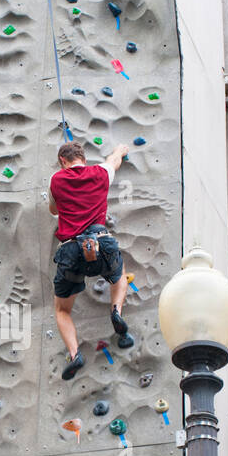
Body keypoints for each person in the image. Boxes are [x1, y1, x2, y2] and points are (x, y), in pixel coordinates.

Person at [49, 139, 134, 380]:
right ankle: (116, 311)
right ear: (83, 160)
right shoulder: (100, 172)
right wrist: (120, 150)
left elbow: (53, 210)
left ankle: (75, 353)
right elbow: (113, 161)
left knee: (62, 309)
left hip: (71, 251)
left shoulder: (56, 180)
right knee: (118, 277)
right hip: (100, 241)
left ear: (62, 162)